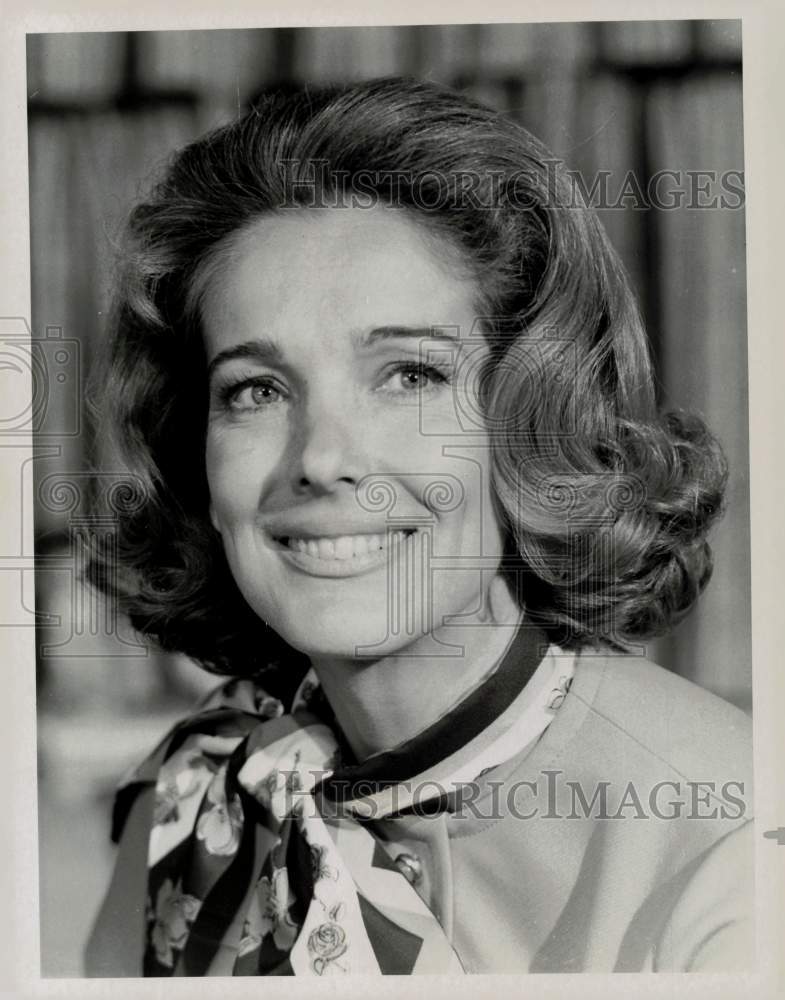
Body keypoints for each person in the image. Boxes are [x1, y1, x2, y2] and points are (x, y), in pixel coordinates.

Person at [83, 77, 752, 976]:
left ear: (528, 417)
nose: (320, 458)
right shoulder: (198, 808)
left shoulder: (728, 844)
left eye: (407, 375)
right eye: (256, 389)